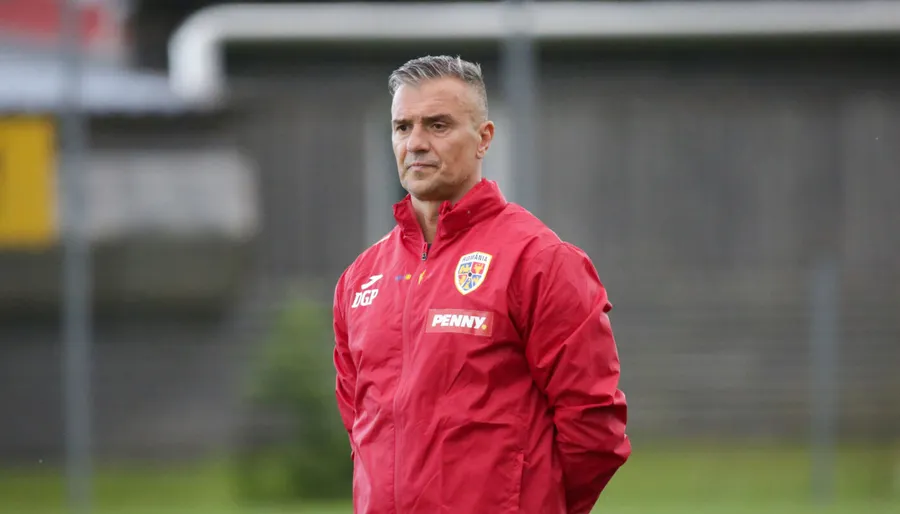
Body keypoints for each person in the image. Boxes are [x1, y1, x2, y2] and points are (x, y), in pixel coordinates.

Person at [332, 55, 630, 514]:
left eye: (438, 125)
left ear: (484, 138)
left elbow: (594, 429)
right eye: (402, 127)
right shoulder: (359, 279)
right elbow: (359, 425)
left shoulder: (539, 261)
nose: (416, 143)